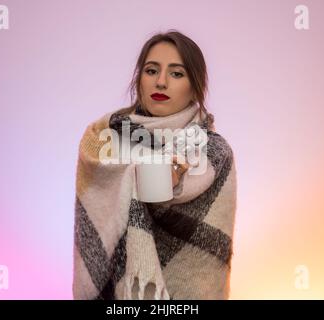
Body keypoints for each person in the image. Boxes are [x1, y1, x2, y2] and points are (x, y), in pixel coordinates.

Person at [73, 30, 237, 300]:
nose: (160, 82)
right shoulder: (105, 140)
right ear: (139, 79)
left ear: (195, 86)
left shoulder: (214, 152)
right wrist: (137, 176)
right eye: (151, 71)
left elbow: (206, 258)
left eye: (176, 74)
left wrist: (176, 182)